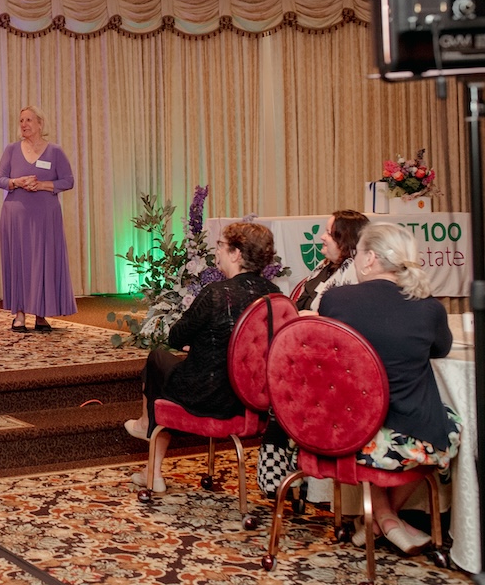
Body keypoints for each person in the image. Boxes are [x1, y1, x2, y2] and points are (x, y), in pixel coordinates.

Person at [320, 222, 461, 554]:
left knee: (368, 422)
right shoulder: (429, 308)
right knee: (450, 427)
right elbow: (440, 350)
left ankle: (379, 519)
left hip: (346, 433)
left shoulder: (335, 300)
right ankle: (387, 518)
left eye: (358, 254)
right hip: (412, 439)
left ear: (370, 258)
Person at [124, 222, 280, 492]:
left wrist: (198, 343)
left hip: (210, 396)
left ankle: (148, 436)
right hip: (252, 402)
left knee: (157, 360)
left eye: (220, 245)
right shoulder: (275, 295)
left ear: (236, 254)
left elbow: (176, 337)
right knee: (169, 367)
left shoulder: (216, 294)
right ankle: (151, 467)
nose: (216, 251)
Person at [0, 105, 76, 333]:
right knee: (20, 262)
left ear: (40, 123)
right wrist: (16, 182)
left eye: (29, 120)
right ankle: (19, 315)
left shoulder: (55, 152)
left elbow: (68, 181)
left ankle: (41, 314)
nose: (24, 124)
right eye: (21, 120)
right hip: (16, 217)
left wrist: (42, 185)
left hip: (45, 218)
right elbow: (0, 179)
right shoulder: (11, 150)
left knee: (42, 262)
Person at [293, 209, 368, 311]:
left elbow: (347, 312)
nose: (322, 237)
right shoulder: (324, 264)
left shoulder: (353, 269)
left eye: (329, 233)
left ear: (345, 239)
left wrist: (317, 316)